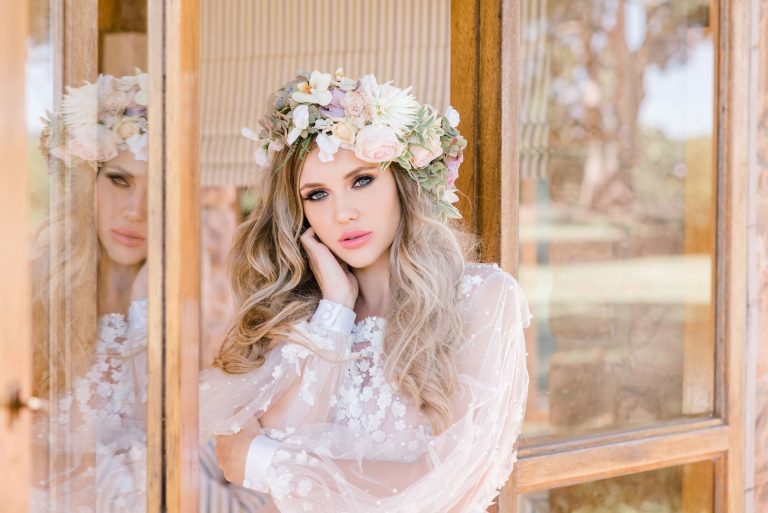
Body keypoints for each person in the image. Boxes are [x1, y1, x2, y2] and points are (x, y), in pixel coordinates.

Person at [199, 69, 531, 512]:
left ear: (403, 183)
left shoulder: (484, 297)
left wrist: (267, 460)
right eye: (317, 195)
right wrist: (335, 310)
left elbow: (455, 483)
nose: (343, 214)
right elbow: (247, 459)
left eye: (361, 180)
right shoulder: (302, 316)